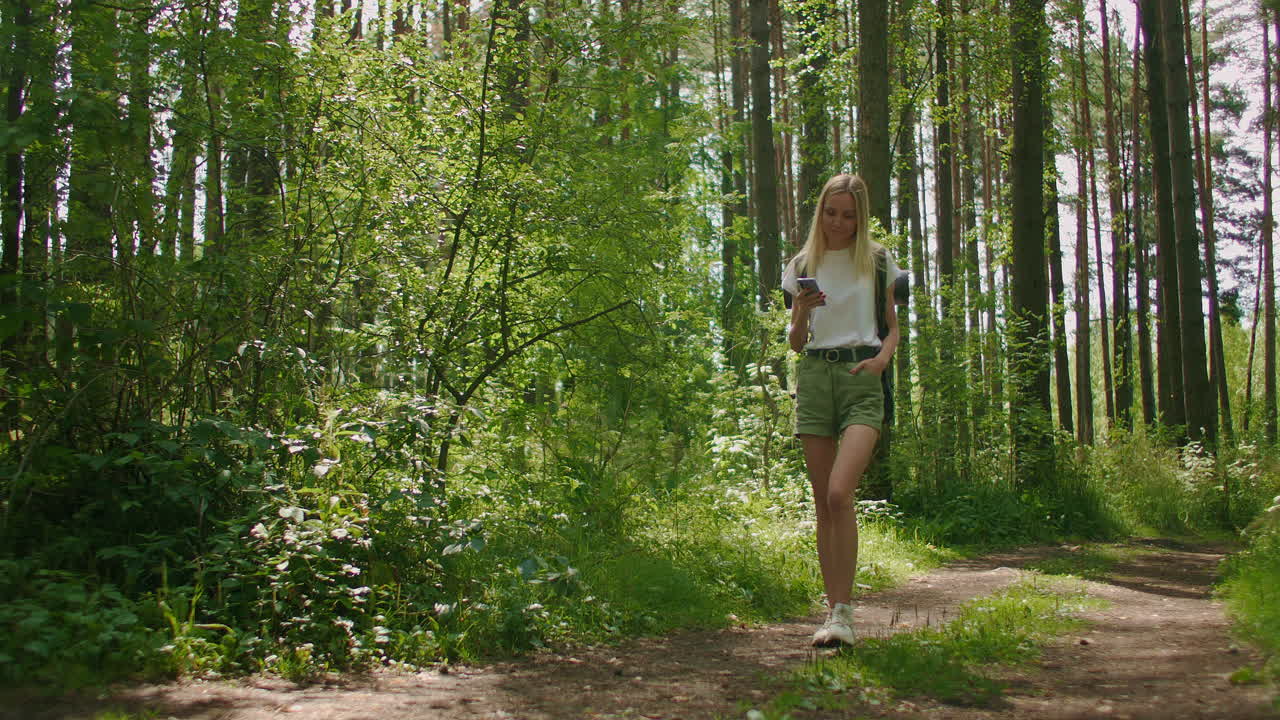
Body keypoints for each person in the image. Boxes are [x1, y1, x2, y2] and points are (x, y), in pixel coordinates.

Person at [781, 173, 900, 647]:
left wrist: (882, 361)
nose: (838, 222)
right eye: (832, 213)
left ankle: (845, 612)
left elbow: (891, 327)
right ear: (821, 213)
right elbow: (794, 342)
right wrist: (803, 310)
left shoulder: (878, 260)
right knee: (821, 503)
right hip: (813, 378)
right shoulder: (802, 263)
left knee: (838, 494)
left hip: (861, 379)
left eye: (849, 215)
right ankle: (834, 614)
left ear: (860, 217)